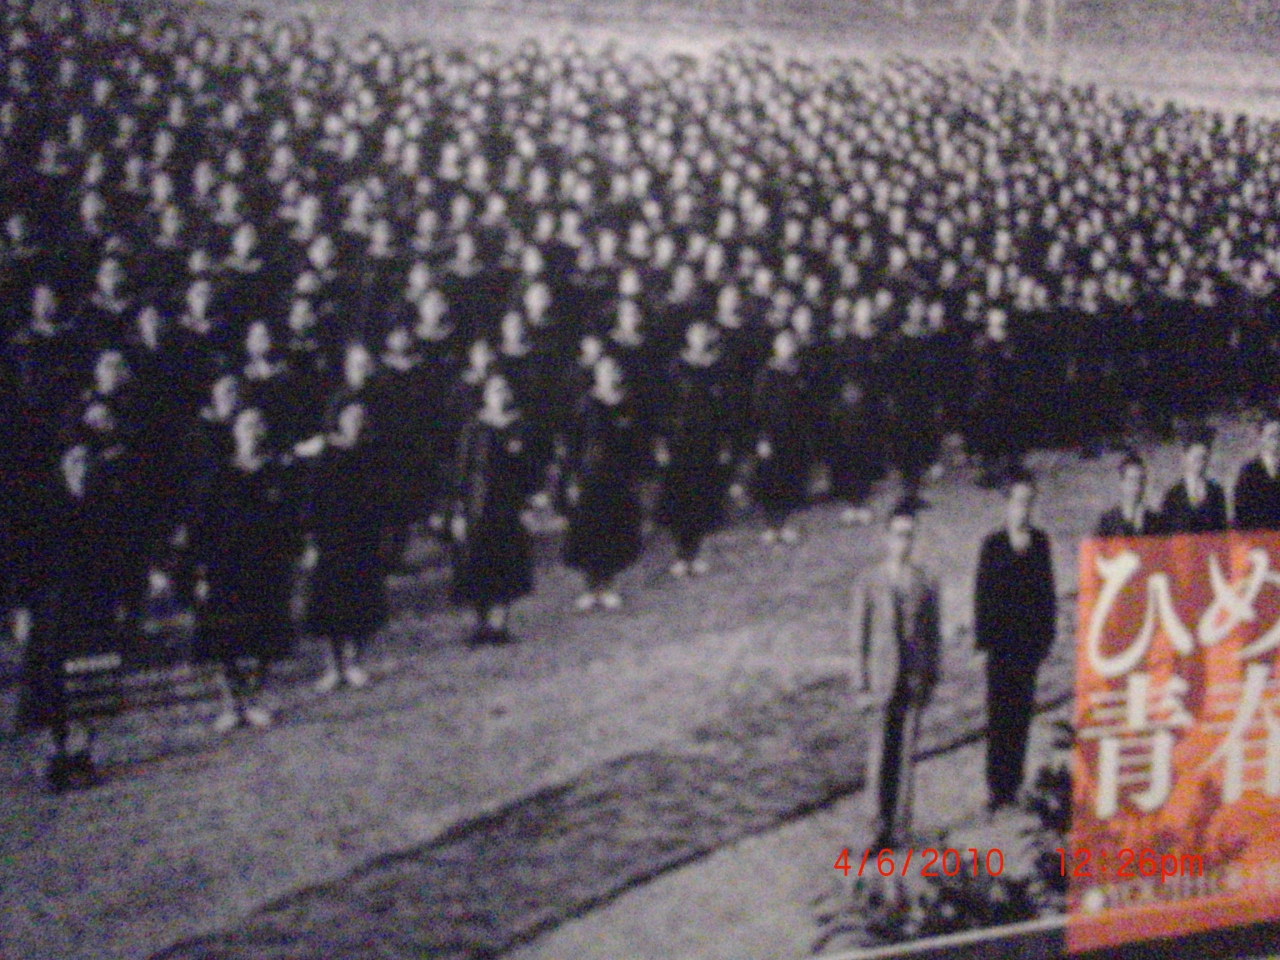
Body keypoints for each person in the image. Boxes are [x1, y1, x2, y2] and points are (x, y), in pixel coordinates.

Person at [189, 407, 300, 731]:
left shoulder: (278, 471)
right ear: (235, 431)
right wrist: (200, 570)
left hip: (267, 565)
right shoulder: (218, 474)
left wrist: (292, 554)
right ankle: (231, 703)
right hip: (226, 566)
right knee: (223, 637)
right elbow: (202, 523)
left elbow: (292, 518)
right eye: (245, 426)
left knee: (267, 635)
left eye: (257, 425)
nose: (251, 431)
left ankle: (253, 699)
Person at [846, 500, 942, 849]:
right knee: (879, 755)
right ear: (887, 538)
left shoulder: (924, 582)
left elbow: (932, 635)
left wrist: (930, 677)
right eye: (899, 535)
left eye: (909, 536)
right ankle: (875, 827)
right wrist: (860, 684)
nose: (904, 543)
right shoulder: (869, 582)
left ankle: (901, 826)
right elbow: (858, 637)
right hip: (881, 681)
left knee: (905, 754)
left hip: (912, 680)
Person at [974, 469, 1057, 812]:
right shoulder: (993, 545)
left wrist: (1046, 638)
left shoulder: (1040, 543)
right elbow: (982, 596)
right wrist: (982, 644)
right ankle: (997, 787)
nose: (1023, 509)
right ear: (1007, 505)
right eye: (1018, 502)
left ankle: (1016, 781)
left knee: (1022, 713)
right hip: (999, 647)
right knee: (999, 715)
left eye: (1029, 503)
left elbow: (1047, 593)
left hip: (1028, 646)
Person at [311, 342, 387, 691]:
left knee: (362, 600)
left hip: (364, 536)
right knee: (330, 603)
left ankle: (355, 662)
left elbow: (382, 497)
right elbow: (312, 501)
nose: (356, 423)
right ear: (338, 419)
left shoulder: (372, 452)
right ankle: (333, 666)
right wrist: (312, 540)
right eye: (350, 418)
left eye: (361, 418)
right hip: (331, 538)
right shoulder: (326, 455)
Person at [450, 374, 540, 645]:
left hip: (509, 508)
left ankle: (499, 625)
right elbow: (462, 470)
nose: (500, 395)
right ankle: (481, 624)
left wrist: (529, 503)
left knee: (507, 562)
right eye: (494, 391)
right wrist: (458, 511)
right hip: (479, 506)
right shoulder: (474, 428)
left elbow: (528, 469)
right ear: (485, 396)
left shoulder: (520, 427)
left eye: (504, 390)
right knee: (479, 563)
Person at [562, 355, 647, 612]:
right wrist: (572, 479)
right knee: (589, 533)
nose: (609, 375)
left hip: (619, 479)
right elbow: (573, 444)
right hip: (591, 478)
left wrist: (636, 474)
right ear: (596, 375)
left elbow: (637, 441)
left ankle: (608, 587)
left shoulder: (628, 403)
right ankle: (590, 588)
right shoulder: (585, 404)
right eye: (604, 371)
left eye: (613, 370)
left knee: (614, 532)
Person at [1154, 425, 1228, 534]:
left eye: (1203, 458)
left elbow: (1222, 532)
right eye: (1195, 458)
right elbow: (1166, 533)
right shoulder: (1173, 495)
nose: (1200, 463)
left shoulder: (1216, 493)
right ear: (1185, 457)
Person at [1233, 413, 1280, 531]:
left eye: (1278, 435)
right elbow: (1242, 513)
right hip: (1258, 536)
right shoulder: (1249, 472)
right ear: (1261, 438)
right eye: (1271, 436)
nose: (1276, 441)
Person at [1095, 451, 1153, 537]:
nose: (1137, 486)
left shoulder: (1154, 521)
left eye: (1141, 480)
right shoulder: (1108, 522)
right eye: (1131, 480)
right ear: (1122, 483)